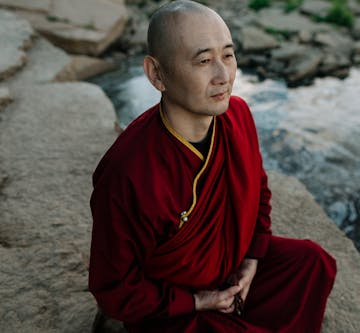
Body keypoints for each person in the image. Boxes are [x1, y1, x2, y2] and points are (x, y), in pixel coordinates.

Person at [88, 1, 337, 332]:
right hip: (174, 305)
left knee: (312, 264)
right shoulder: (129, 172)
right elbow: (114, 288)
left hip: (231, 272)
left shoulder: (238, 116)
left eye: (228, 56)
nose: (223, 77)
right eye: (204, 61)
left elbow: (258, 189)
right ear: (156, 74)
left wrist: (252, 259)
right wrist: (199, 301)